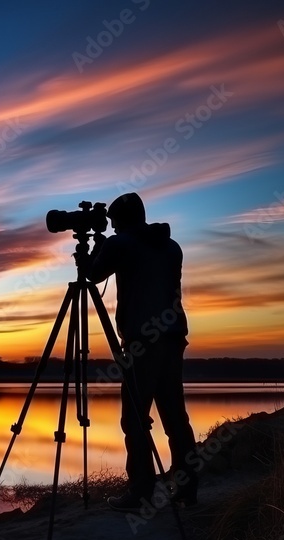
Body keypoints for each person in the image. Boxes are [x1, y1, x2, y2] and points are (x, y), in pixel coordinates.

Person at [86, 192, 198, 511]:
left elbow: (92, 275)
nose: (111, 227)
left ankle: (140, 491)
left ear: (120, 220)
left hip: (141, 343)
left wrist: (96, 245)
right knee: (175, 417)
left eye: (112, 222)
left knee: (135, 419)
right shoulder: (170, 245)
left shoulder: (120, 244)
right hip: (174, 337)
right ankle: (187, 488)